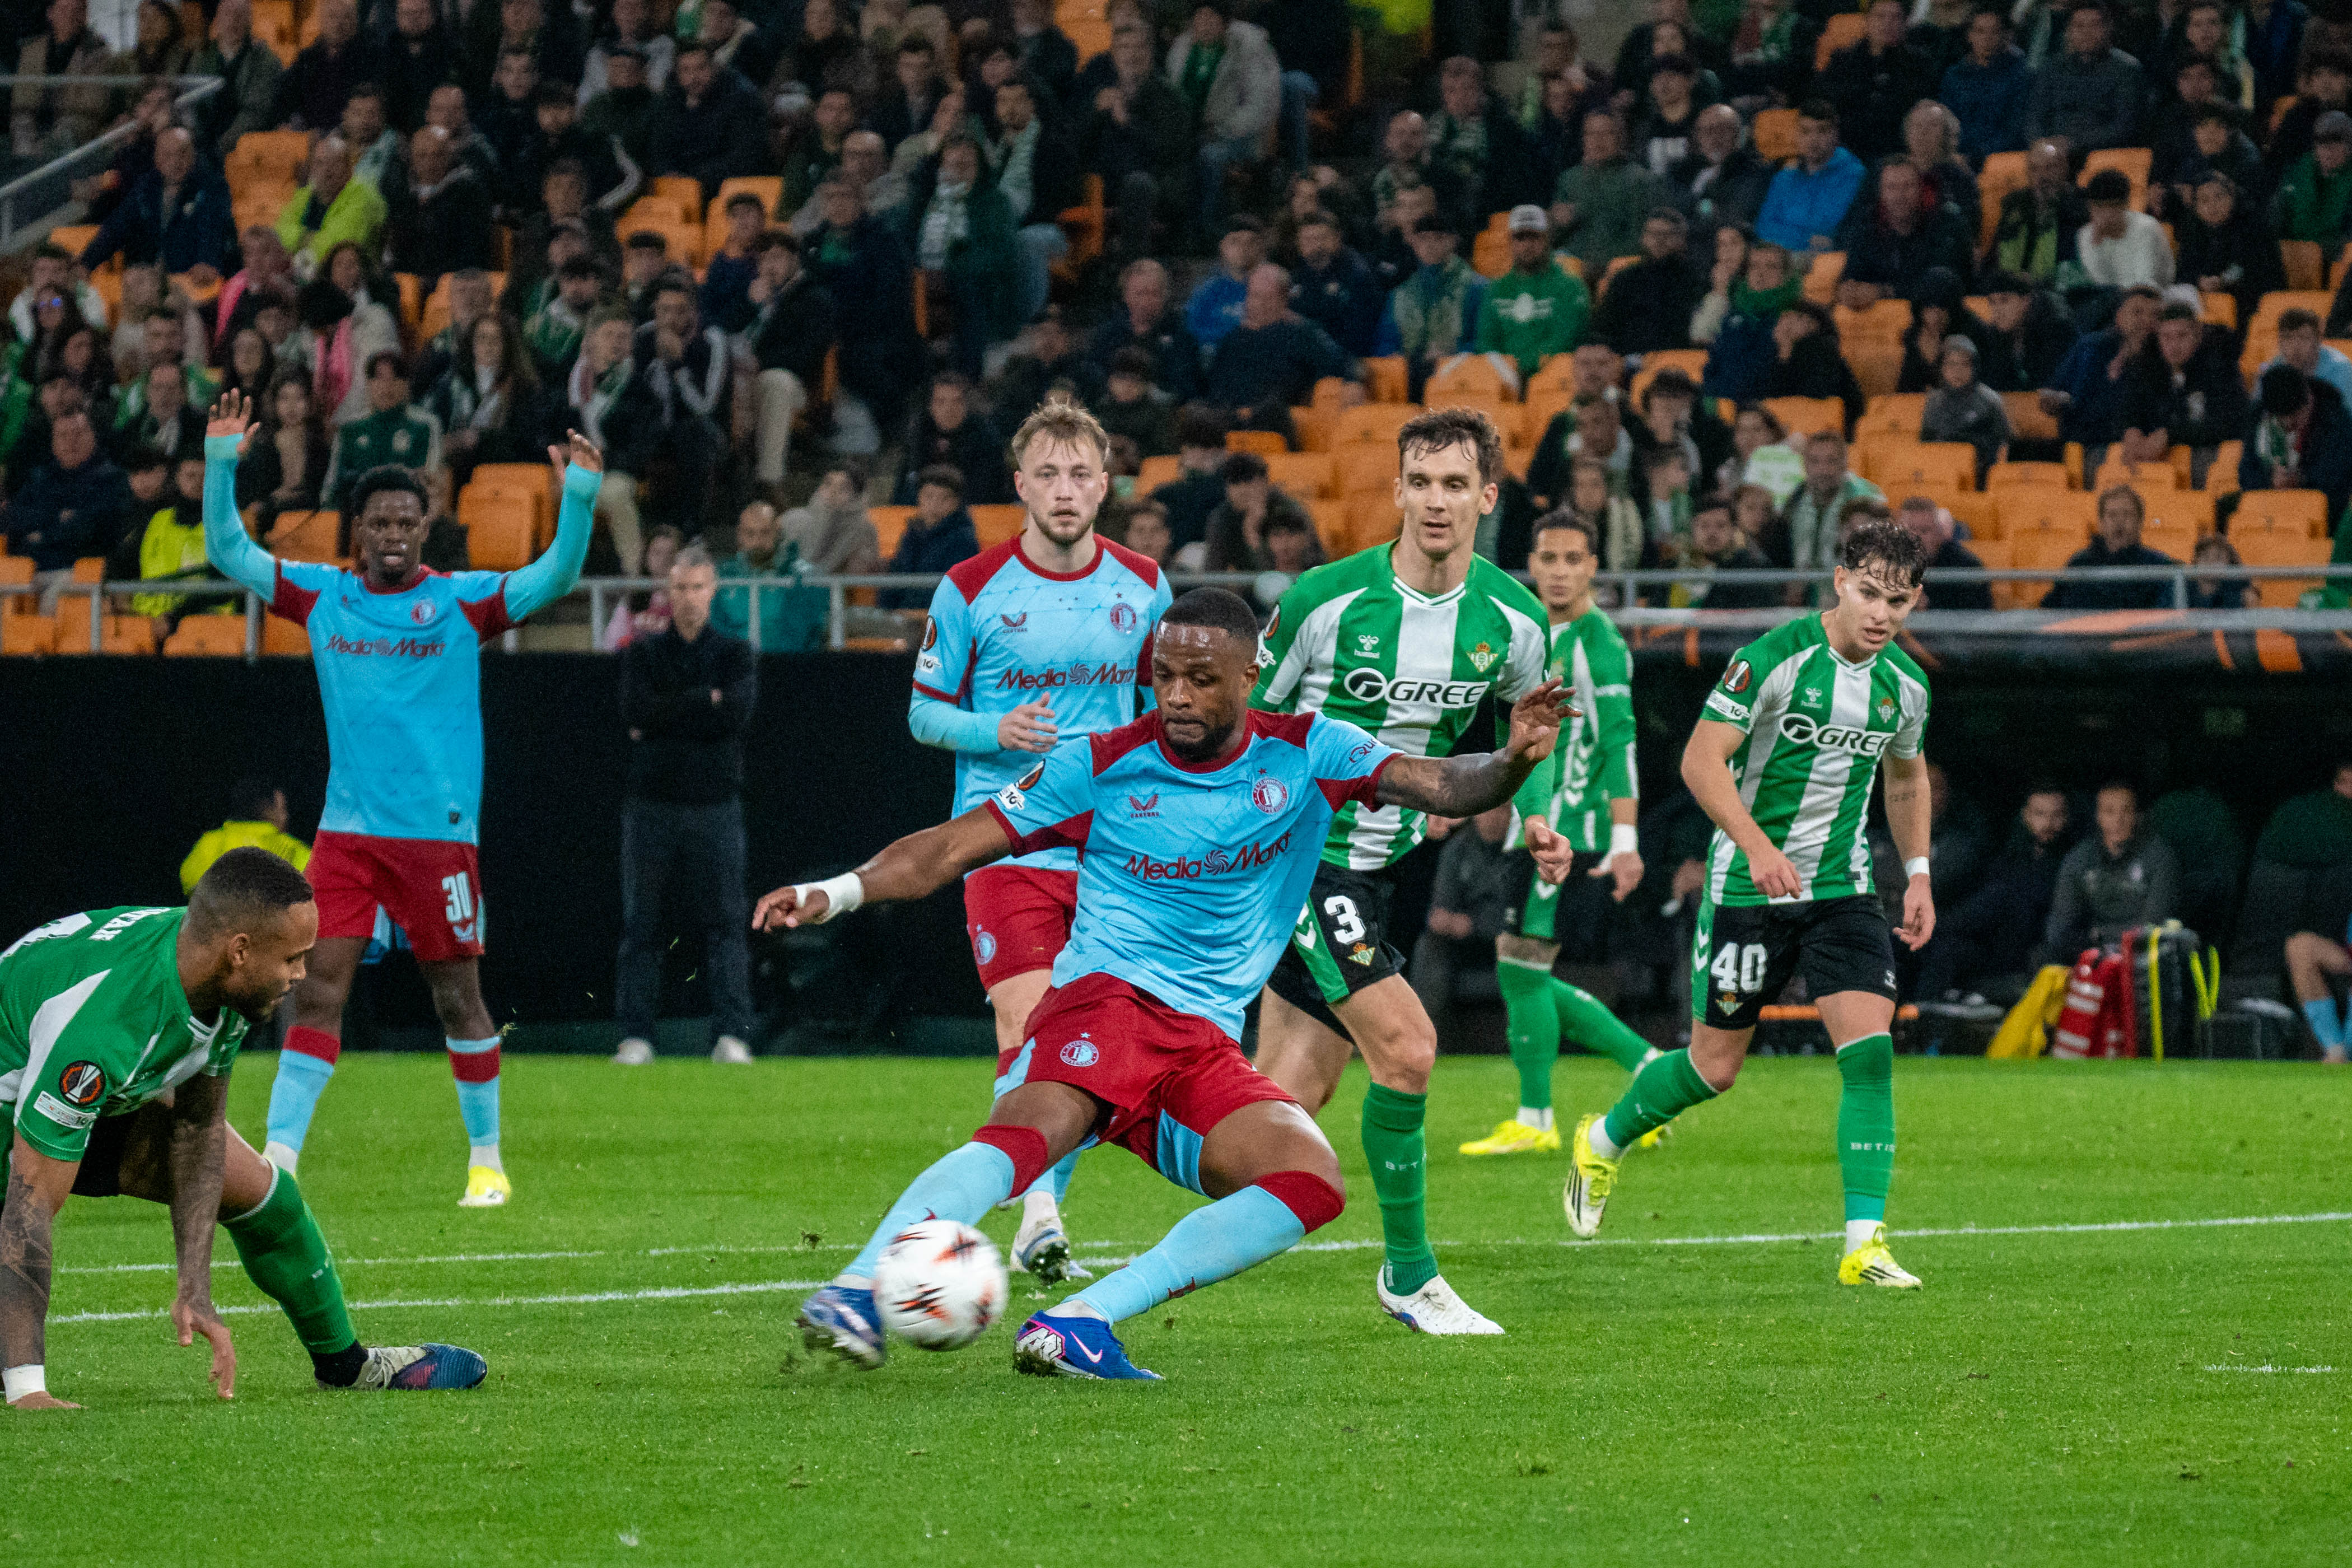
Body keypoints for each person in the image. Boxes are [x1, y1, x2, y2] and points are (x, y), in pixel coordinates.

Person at [772, 585, 1569, 1379]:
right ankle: (856, 1290)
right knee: (1023, 1137)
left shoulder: (1311, 750)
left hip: (1204, 1043)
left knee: (1310, 1182)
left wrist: (1511, 760)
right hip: (1108, 1006)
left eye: (1202, 678)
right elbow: (950, 847)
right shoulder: (1101, 763)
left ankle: (1081, 1320)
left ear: (1251, 677)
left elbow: (1441, 783)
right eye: (1164, 675)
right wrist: (834, 893)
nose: (1178, 696)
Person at [201, 390, 600, 1207]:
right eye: (379, 522)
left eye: (405, 523)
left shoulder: (461, 602)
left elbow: (557, 575)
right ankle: (282, 1160)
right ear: (358, 531)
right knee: (315, 991)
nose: (392, 534)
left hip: (437, 837)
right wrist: (218, 465)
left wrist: (581, 498)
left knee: (458, 998)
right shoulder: (323, 596)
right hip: (347, 836)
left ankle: (486, 1162)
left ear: (426, 528)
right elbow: (228, 550)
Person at [1563, 517, 1935, 1290]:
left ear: (1914, 603)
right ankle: (1603, 1139)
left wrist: (1920, 872)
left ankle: (1865, 1245)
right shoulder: (1772, 659)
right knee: (1714, 1068)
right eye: (1869, 593)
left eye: (1897, 602)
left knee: (1870, 1056)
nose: (1881, 614)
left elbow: (1906, 778)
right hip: (1746, 886)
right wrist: (1759, 847)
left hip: (1843, 890)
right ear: (1840, 581)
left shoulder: (1906, 687)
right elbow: (1701, 761)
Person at [1252, 408, 1553, 1336]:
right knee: (1411, 1050)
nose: (1435, 501)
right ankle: (1411, 1277)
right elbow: (1244, 725)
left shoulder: (1516, 622)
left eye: (1455, 484)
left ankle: (1093, 1165)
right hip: (1304, 860)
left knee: (1280, 1109)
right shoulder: (1323, 601)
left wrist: (1535, 817)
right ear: (1395, 491)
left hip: (1385, 872)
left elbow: (1523, 740)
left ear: (1487, 497)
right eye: (1420, 482)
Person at [0, 851, 491, 1411]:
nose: (301, 975)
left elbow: (198, 1126)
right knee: (21, 1225)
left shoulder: (221, 975)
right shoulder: (105, 1022)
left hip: (79, 1092)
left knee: (268, 1198)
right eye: (293, 958)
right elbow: (29, 1204)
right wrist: (29, 1391)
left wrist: (194, 1285)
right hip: (23, 1103)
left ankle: (349, 1367)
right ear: (240, 951)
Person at [899, 395, 1170, 1278]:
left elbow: (1159, 715)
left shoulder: (1144, 585)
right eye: (1048, 474)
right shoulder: (970, 586)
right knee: (1025, 1014)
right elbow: (923, 714)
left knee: (1088, 1036)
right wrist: (996, 728)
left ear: (1105, 485)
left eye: (1080, 474)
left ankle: (1036, 1204)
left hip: (1109, 848)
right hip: (1005, 841)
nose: (1064, 489)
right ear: (1019, 485)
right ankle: (1041, 1212)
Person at [1458, 511, 1654, 1159]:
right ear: (1533, 564)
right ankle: (1648, 1065)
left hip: (1567, 829)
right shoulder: (1528, 635)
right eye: (1549, 558)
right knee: (1524, 968)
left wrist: (1625, 839)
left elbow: (1622, 742)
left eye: (1574, 559)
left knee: (1520, 962)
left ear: (1594, 566)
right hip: (1534, 825)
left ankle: (1537, 1116)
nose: (1561, 571)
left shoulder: (1599, 641)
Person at [608, 540, 760, 1067]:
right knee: (642, 923)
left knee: (726, 923)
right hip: (652, 806)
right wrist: (704, 701)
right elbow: (635, 711)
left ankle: (732, 1034)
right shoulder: (643, 652)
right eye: (680, 587)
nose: (689, 597)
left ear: (713, 590)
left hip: (716, 806)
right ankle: (635, 1036)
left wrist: (669, 709)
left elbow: (735, 714)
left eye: (698, 587)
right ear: (668, 592)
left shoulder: (735, 654)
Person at [1167, 1, 1281, 240]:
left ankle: (1209, 226)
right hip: (1190, 134)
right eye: (1200, 18)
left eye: (1212, 18)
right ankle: (1181, 229)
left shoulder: (1247, 47)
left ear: (1225, 23)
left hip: (1239, 135)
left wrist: (1223, 130)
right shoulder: (1180, 50)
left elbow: (1261, 104)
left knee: (1212, 156)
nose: (1205, 25)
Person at [6, 409, 135, 611]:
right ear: (53, 442)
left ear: (93, 437)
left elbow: (89, 529)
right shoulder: (39, 478)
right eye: (63, 436)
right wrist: (58, 517)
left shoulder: (111, 479)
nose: (71, 442)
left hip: (78, 570)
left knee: (55, 601)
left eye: (79, 434)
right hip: (30, 569)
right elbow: (14, 519)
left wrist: (42, 535)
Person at [2041, 782, 2180, 960]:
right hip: (2091, 950)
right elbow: (2061, 923)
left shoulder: (2160, 857)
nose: (2118, 820)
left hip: (2143, 953)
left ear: (2137, 816)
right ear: (2098, 817)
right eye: (2109, 812)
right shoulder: (2079, 858)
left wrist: (2100, 934)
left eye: (2126, 811)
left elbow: (2153, 923)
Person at [2118, 304, 2249, 470]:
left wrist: (2171, 434)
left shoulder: (2220, 369)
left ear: (2198, 335)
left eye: (2182, 336)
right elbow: (2131, 408)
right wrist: (2131, 429)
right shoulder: (2147, 369)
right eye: (2166, 337)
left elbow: (2228, 424)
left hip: (2207, 463)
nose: (2174, 346)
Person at [1473, 204, 1589, 382]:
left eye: (1534, 237)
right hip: (1502, 379)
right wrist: (1506, 370)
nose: (1527, 245)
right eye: (1520, 238)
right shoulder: (1496, 290)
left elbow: (1564, 341)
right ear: (1510, 242)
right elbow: (1486, 341)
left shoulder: (1570, 287)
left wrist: (1523, 366)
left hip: (1553, 379)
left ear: (1547, 239)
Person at [1817, 0, 1940, 162]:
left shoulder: (1919, 64)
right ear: (1867, 21)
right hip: (1847, 151)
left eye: (1895, 17)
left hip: (1901, 153)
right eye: (1880, 16)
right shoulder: (1842, 62)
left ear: (1906, 23)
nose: (1887, 24)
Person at [1550, 110, 1665, 276]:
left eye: (1607, 133)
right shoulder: (1570, 179)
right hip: (1574, 263)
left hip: (1618, 266)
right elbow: (1554, 239)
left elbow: (1641, 239)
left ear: (1620, 137)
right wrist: (1557, 223)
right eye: (1591, 134)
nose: (1598, 140)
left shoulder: (1638, 180)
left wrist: (1598, 263)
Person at [2022, 0, 2144, 153]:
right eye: (2079, 26)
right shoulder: (2052, 69)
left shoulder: (2126, 70)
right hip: (2053, 153)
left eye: (2095, 25)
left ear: (2108, 29)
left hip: (2103, 153)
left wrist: (2073, 143)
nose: (2087, 32)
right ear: (2069, 31)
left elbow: (2125, 127)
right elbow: (2034, 116)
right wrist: (2040, 143)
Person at [2244, 363, 2352, 526]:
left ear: (2309, 401)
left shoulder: (2337, 422)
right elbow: (2247, 471)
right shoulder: (2259, 419)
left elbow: (2339, 477)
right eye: (2281, 419)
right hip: (2269, 510)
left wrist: (2301, 480)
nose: (2288, 425)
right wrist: (2270, 479)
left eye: (2295, 417)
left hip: (2326, 515)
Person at [2043, 486, 2181, 610]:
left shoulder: (2158, 567)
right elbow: (2051, 609)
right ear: (2101, 522)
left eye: (2127, 514)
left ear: (2140, 522)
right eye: (2112, 515)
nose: (2119, 522)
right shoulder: (2079, 563)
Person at [1755, 100, 1865, 255]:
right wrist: (1806, 239)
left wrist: (1787, 235)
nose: (1813, 140)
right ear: (1797, 136)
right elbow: (1763, 227)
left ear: (1835, 135)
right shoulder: (1784, 177)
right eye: (1805, 132)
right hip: (1782, 255)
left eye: (1822, 131)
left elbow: (1831, 229)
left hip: (1826, 258)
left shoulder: (1854, 175)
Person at [1592, 206, 1705, 354]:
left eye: (1667, 235)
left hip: (1676, 359)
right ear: (1643, 237)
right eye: (1653, 234)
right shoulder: (1625, 280)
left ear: (1681, 239)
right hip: (1627, 358)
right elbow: (1605, 327)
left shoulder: (1694, 281)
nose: (1659, 241)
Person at [275, 137, 389, 277]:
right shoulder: (306, 194)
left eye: (336, 164)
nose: (327, 171)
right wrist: (306, 237)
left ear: (349, 168)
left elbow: (336, 249)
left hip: (354, 279)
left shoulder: (365, 198)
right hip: (306, 275)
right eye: (320, 163)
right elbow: (279, 235)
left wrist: (298, 243)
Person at [180, 778, 312, 893]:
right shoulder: (293, 850)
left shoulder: (210, 842)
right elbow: (314, 885)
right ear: (269, 808)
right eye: (283, 808)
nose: (286, 816)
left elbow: (190, 882)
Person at [1942, 7, 2030, 162]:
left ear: (2004, 35)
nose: (1987, 39)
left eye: (1994, 32)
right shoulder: (1955, 76)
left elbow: (2016, 127)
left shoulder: (2020, 75)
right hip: (1960, 157)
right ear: (1970, 36)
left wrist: (1977, 156)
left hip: (2002, 158)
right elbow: (1947, 120)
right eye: (1980, 31)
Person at [1920, 337, 2009, 483]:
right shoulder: (1933, 401)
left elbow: (2002, 444)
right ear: (1942, 368)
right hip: (1940, 474)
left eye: (1965, 364)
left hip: (1980, 476)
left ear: (1974, 368)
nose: (1958, 371)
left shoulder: (1990, 400)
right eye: (1951, 364)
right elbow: (1925, 444)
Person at [1895, 493, 1991, 611]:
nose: (1917, 538)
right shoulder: (1885, 563)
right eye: (1911, 530)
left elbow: (1979, 616)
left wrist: (1928, 607)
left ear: (1939, 534)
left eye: (1925, 531)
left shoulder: (1967, 567)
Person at [2273, 110, 2352, 249]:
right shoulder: (2297, 173)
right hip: (2292, 252)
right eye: (2322, 143)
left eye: (2336, 144)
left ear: (2349, 148)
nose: (2328, 151)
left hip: (2336, 255)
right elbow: (2276, 217)